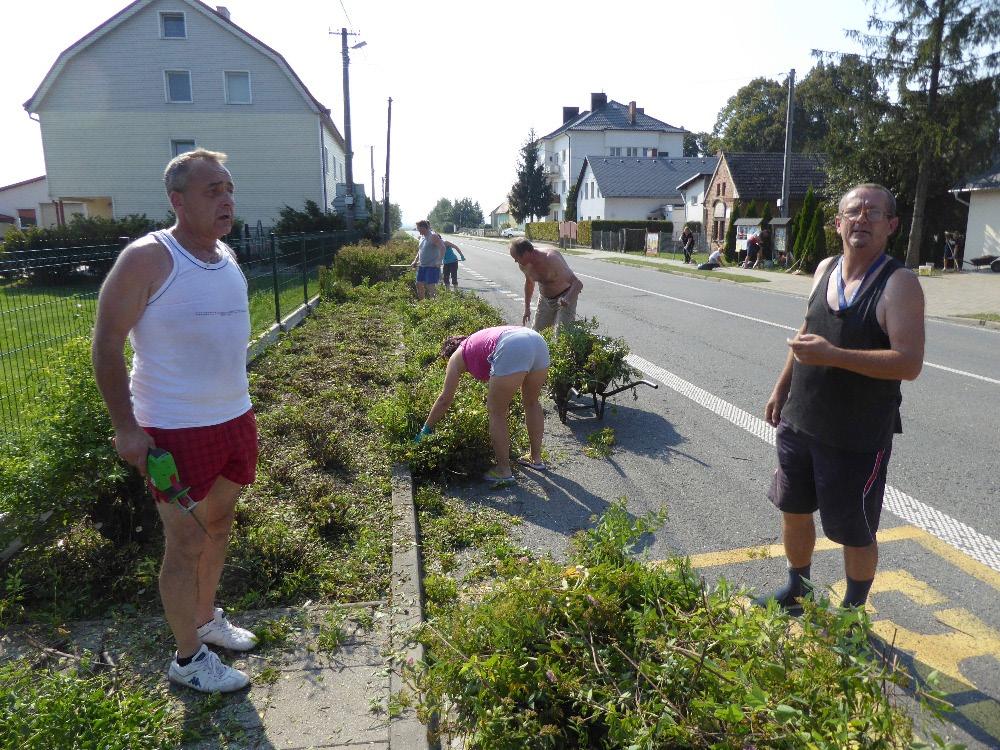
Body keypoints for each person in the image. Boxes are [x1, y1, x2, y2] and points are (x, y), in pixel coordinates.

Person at [92, 149, 258, 692]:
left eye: (228, 188)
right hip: (175, 431)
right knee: (183, 542)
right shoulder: (148, 257)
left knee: (219, 523)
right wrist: (126, 427)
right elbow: (107, 344)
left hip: (235, 418)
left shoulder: (225, 255)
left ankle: (206, 619)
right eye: (212, 190)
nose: (226, 198)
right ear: (177, 199)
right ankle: (187, 660)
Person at [758, 183, 925, 614]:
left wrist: (835, 356)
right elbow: (806, 332)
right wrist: (781, 387)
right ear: (838, 224)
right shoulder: (825, 268)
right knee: (793, 509)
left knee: (853, 529)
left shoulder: (899, 284)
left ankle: (851, 613)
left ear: (891, 225)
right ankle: (799, 589)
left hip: (856, 434)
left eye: (873, 213)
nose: (862, 219)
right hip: (800, 420)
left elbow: (908, 363)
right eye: (854, 212)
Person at [415, 326, 550, 486]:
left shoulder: (457, 355)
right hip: (537, 341)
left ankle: (503, 471)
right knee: (532, 402)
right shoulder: (479, 343)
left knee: (496, 412)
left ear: (448, 352)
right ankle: (536, 458)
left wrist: (426, 430)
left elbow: (445, 399)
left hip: (512, 345)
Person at [509, 237, 583, 334]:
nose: (515, 261)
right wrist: (527, 308)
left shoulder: (551, 259)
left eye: (516, 258)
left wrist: (567, 299)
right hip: (545, 300)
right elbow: (529, 283)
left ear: (526, 253)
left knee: (561, 336)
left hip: (565, 297)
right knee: (537, 334)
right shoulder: (524, 265)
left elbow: (577, 284)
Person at [411, 220, 446, 299]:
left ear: (424, 228)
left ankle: (434, 305)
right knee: (418, 284)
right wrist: (415, 261)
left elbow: (442, 247)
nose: (418, 230)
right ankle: (422, 304)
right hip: (422, 266)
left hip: (432, 267)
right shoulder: (422, 237)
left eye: (419, 229)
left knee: (430, 287)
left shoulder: (433, 236)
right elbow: (420, 251)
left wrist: (439, 260)